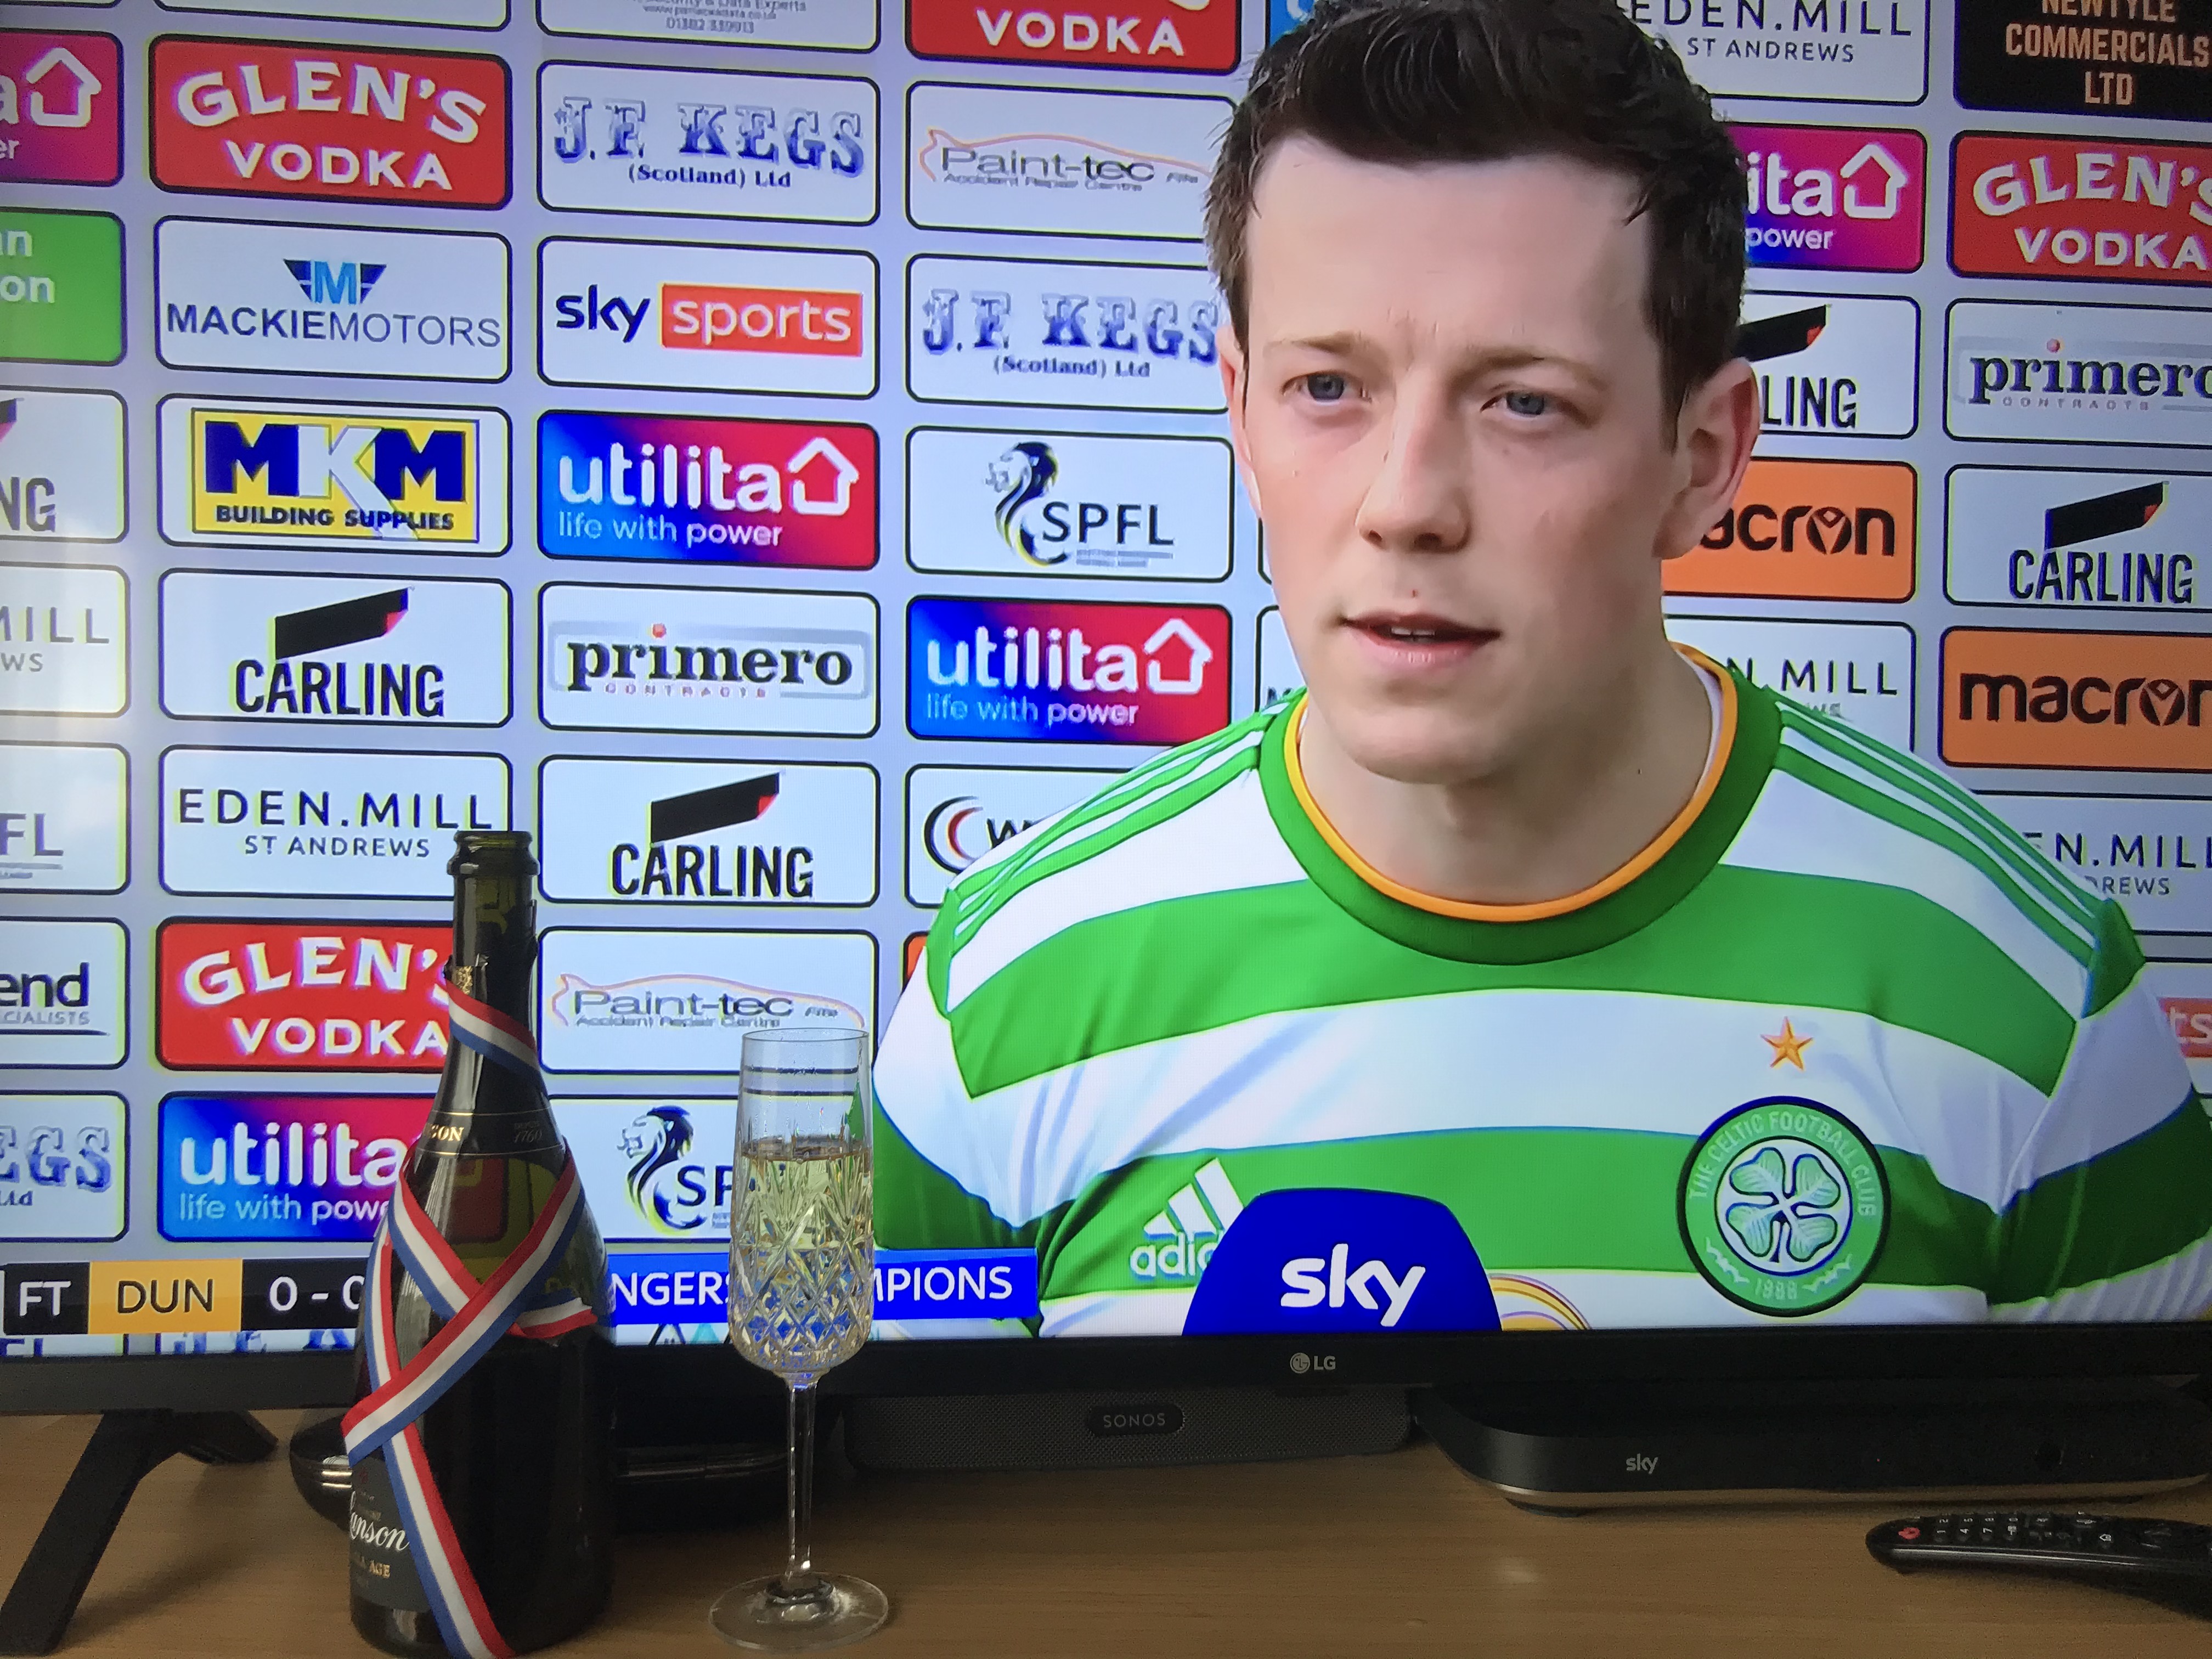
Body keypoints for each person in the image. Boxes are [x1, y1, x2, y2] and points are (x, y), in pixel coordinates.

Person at [872, 0, 2212, 1336]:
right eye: (1328, 389)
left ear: (1703, 457)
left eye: (1525, 402)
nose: (1408, 505)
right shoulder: (1004, 1000)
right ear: (1238, 408)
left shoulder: (2032, 995)